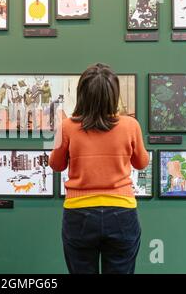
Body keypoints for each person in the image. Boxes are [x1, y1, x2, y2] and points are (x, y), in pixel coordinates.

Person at [49, 63, 149, 275]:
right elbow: (141, 163)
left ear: (82, 94)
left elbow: (56, 165)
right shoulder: (131, 125)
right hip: (122, 212)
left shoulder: (67, 127)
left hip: (79, 213)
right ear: (113, 94)